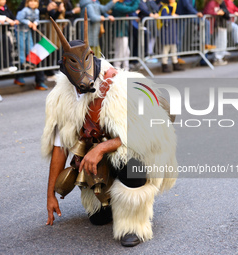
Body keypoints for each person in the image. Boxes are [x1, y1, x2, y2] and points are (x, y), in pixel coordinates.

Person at [43, 11, 178, 247]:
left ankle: (134, 225)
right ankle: (108, 200)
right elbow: (59, 147)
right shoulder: (61, 96)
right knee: (98, 218)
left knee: (133, 167)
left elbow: (143, 135)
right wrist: (50, 195)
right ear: (65, 68)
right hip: (99, 162)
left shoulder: (122, 86)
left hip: (139, 152)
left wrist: (103, 147)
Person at [15, 0, 48, 90]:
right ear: (27, 2)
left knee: (31, 46)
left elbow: (37, 19)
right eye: (31, 1)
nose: (33, 3)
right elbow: (19, 18)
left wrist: (35, 23)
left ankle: (30, 62)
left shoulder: (37, 11)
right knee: (22, 48)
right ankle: (22, 63)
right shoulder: (24, 10)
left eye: (35, 1)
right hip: (20, 31)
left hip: (28, 31)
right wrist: (28, 22)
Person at [0, 0, 19, 73]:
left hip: (5, 32)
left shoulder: (6, 7)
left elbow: (11, 16)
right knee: (0, 51)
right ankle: (1, 67)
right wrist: (1, 19)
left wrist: (15, 20)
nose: (4, 1)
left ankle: (9, 65)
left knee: (8, 48)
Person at [112, 0, 140, 71]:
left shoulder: (122, 3)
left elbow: (131, 4)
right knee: (120, 53)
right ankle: (117, 69)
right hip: (120, 33)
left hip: (123, 32)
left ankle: (125, 69)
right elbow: (131, 8)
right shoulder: (117, 6)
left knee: (126, 52)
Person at [157, 0, 185, 72]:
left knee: (173, 48)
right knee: (166, 49)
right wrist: (172, 16)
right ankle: (164, 64)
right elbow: (165, 19)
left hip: (171, 32)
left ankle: (175, 63)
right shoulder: (164, 8)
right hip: (167, 31)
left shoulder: (168, 7)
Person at [203, 0, 230, 66]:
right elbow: (209, 12)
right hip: (216, 24)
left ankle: (217, 58)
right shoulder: (213, 2)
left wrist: (222, 12)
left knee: (221, 41)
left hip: (218, 24)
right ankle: (216, 58)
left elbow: (226, 12)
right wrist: (218, 13)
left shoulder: (218, 3)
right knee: (219, 41)